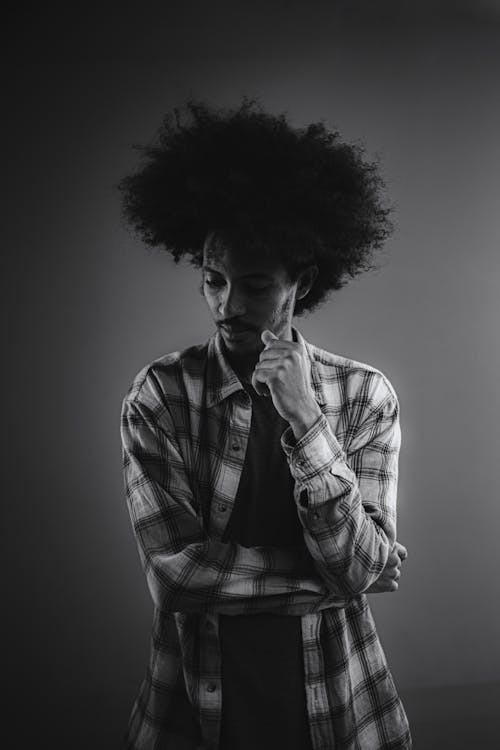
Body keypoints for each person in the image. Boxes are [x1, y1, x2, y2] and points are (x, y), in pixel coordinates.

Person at [118, 98, 412, 750]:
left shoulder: (364, 396)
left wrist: (306, 420)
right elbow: (173, 577)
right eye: (213, 279)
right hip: (191, 715)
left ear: (301, 282)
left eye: (252, 284)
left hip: (343, 710)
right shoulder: (160, 397)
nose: (227, 304)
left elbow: (358, 563)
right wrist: (336, 580)